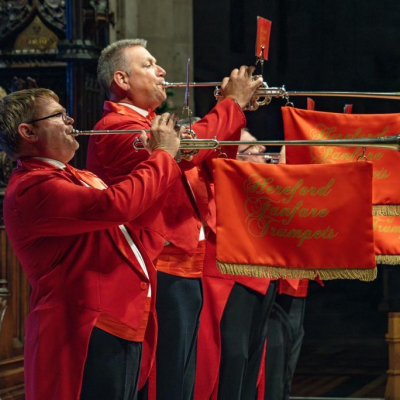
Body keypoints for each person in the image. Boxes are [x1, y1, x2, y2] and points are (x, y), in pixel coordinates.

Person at [86, 38, 272, 400]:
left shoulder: (155, 124)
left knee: (181, 376)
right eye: (149, 64)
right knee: (167, 378)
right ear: (122, 80)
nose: (162, 71)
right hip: (158, 265)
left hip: (184, 265)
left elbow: (212, 154)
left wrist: (228, 107)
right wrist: (230, 103)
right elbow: (188, 153)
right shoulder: (115, 127)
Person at [0, 88, 181, 400]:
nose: (71, 120)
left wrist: (159, 161)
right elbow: (116, 206)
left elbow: (133, 221)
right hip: (85, 325)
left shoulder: (76, 176)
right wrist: (162, 156)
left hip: (119, 319)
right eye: (59, 115)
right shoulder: (31, 188)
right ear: (29, 131)